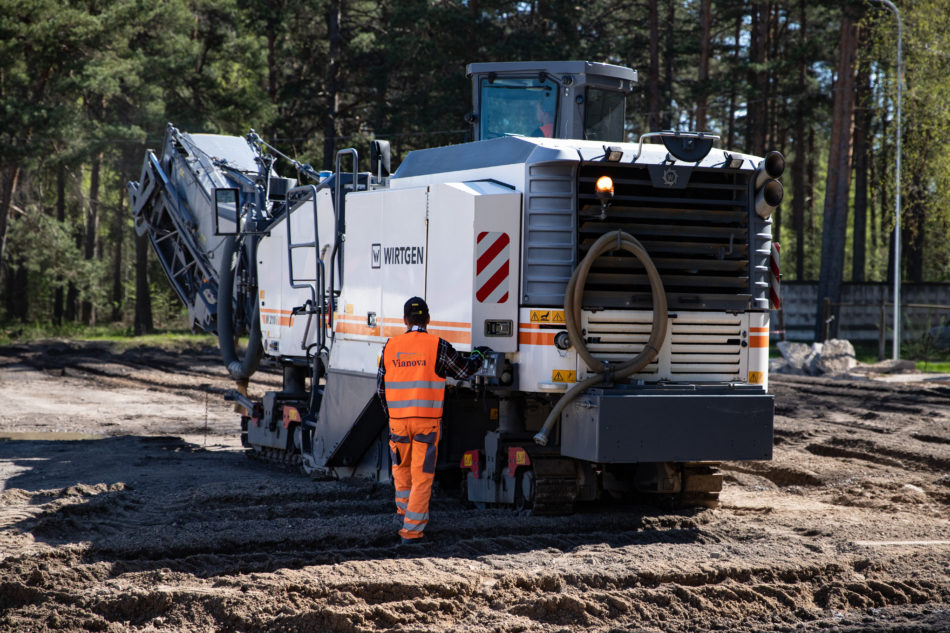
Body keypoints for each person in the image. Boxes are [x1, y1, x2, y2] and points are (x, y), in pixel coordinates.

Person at [377, 297, 489, 545]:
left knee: (402, 473)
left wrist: (393, 416)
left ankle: (403, 518)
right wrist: (480, 354)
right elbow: (464, 371)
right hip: (426, 424)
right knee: (422, 477)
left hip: (398, 423)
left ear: (405, 320)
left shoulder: (390, 346)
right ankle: (412, 533)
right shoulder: (438, 346)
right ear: (428, 319)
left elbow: (380, 390)